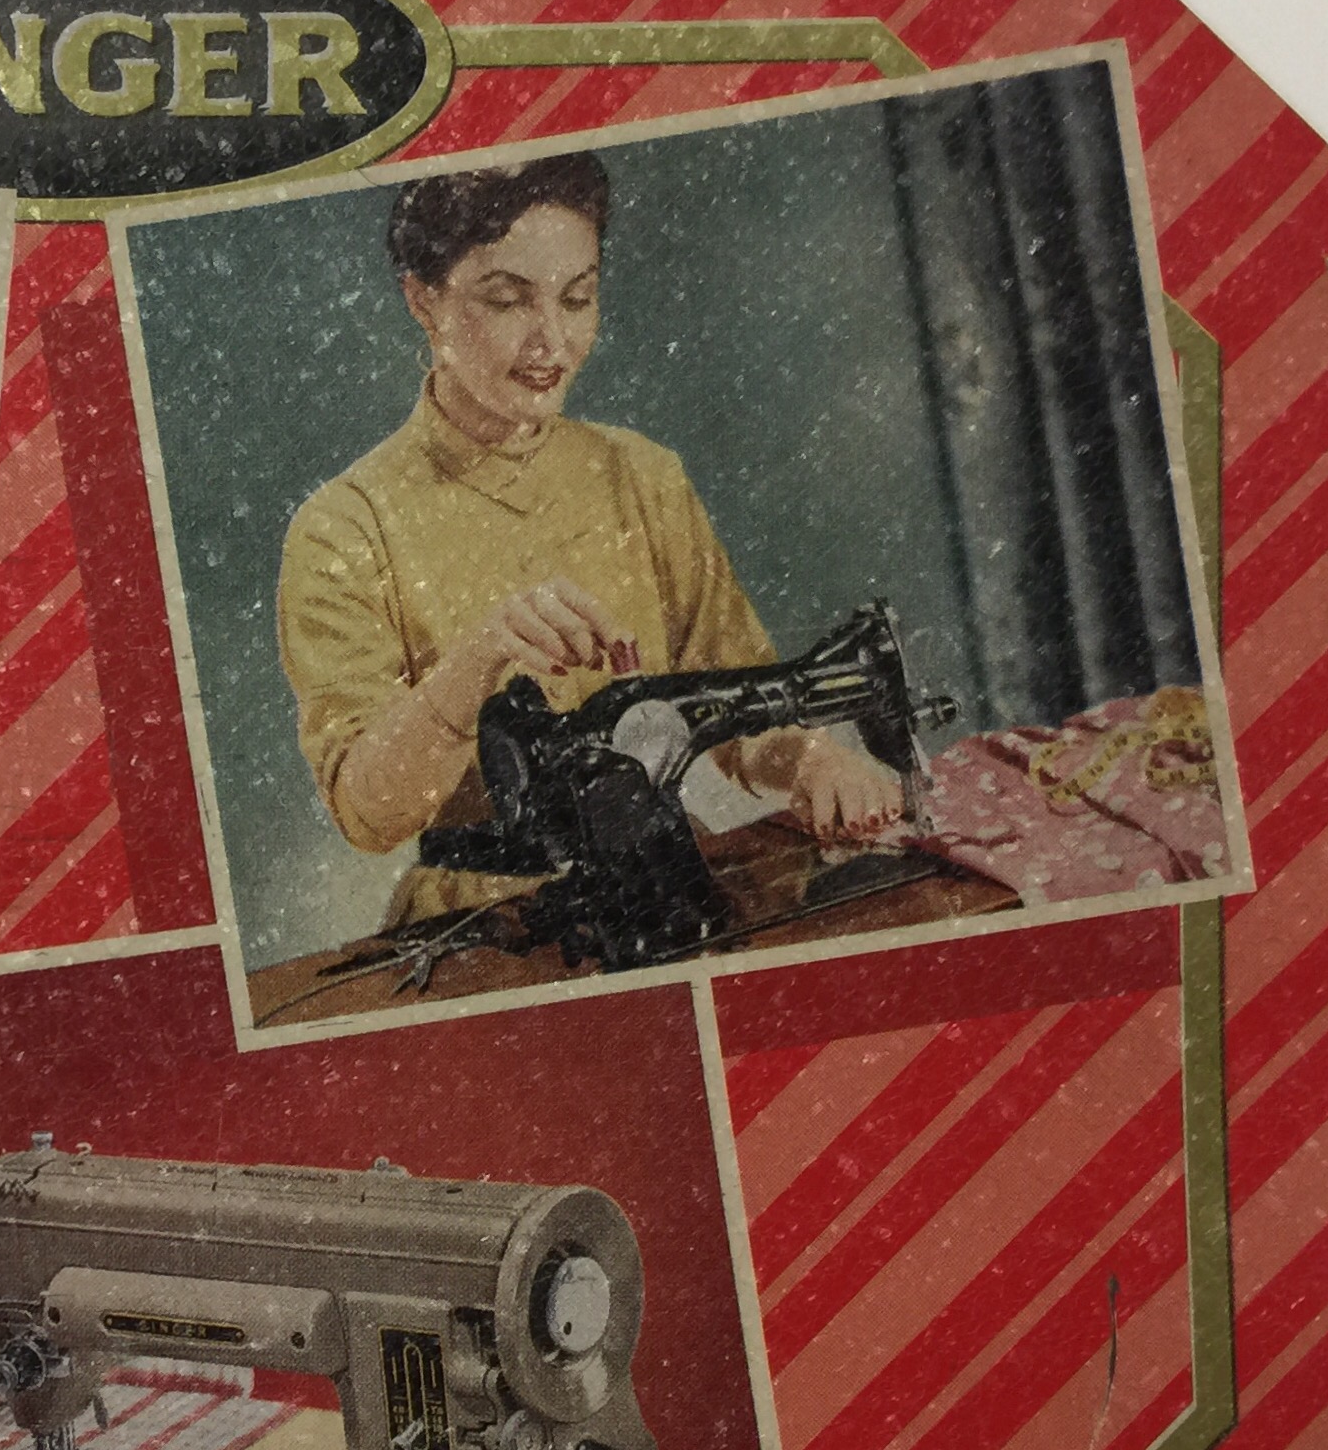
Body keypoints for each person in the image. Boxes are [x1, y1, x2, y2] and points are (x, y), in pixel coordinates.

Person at [276, 153, 903, 934]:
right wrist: (473, 667)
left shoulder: (644, 477)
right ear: (423, 301)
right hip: (486, 926)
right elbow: (368, 813)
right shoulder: (345, 527)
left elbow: (741, 699)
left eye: (577, 298)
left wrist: (813, 758)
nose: (553, 341)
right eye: (507, 300)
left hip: (666, 886)